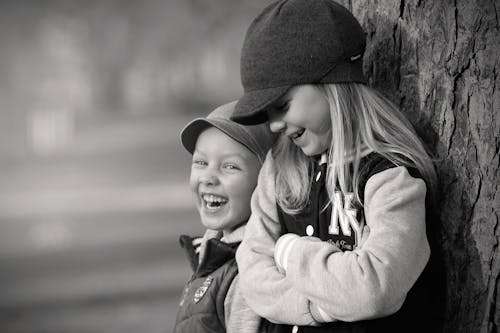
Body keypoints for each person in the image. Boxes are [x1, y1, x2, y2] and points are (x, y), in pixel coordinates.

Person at [230, 0, 440, 332]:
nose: (273, 126)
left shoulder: (389, 176)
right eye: (266, 114)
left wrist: (288, 252)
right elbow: (253, 272)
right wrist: (322, 305)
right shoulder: (280, 167)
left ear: (333, 85)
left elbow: (373, 289)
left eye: (281, 106)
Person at [173, 101, 276, 333]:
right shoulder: (213, 254)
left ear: (266, 182)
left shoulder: (249, 275)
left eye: (230, 166)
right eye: (200, 162)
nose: (208, 178)